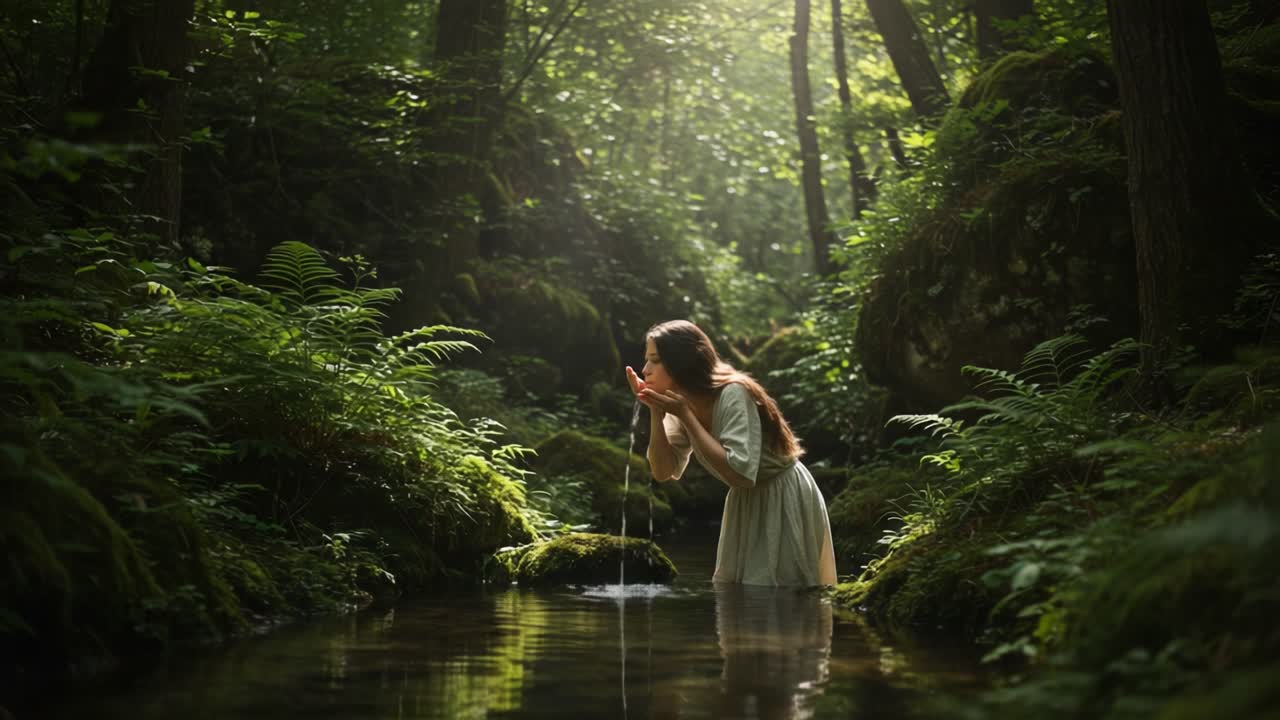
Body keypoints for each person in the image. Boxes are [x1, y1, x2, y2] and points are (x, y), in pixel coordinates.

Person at [625, 319, 837, 587]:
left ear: (680, 362)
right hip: (744, 502)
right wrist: (655, 410)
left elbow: (740, 473)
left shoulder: (733, 394)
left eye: (654, 360)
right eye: (646, 360)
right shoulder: (681, 404)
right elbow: (662, 471)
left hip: (782, 494)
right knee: (737, 595)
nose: (645, 369)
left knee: (780, 596)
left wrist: (686, 417)